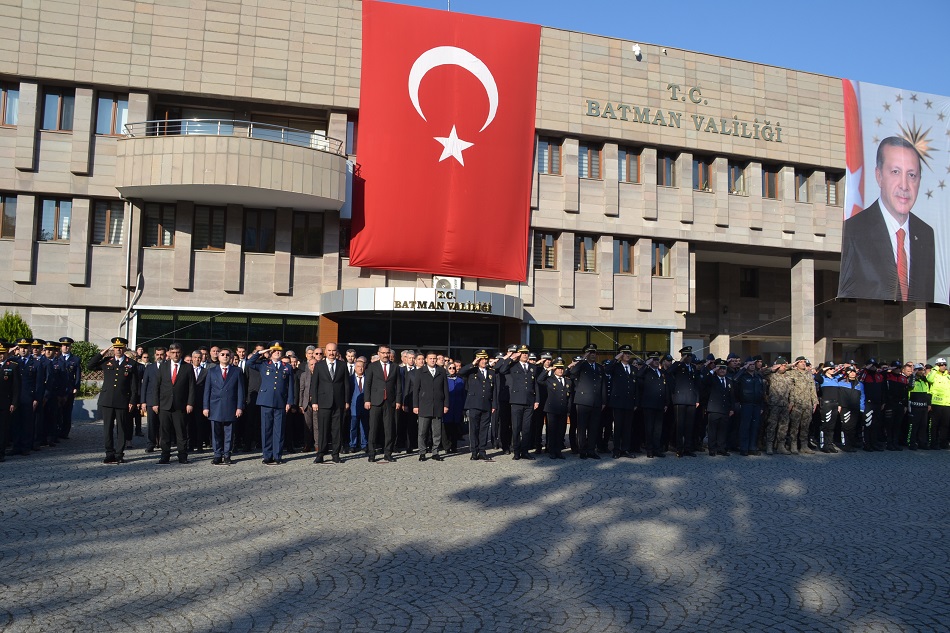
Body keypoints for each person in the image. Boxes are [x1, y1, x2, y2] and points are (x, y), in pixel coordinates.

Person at [839, 136, 935, 302]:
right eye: (895, 172)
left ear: (919, 181)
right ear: (879, 176)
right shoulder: (854, 230)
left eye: (912, 175)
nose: (904, 185)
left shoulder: (926, 233)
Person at [87, 337, 138, 464]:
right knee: (107, 428)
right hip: (107, 400)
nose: (118, 350)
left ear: (125, 348)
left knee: (121, 428)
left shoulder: (131, 363)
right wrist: (101, 353)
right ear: (113, 349)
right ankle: (109, 453)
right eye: (116, 348)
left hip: (122, 400)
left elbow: (134, 385)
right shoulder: (106, 361)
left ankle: (119, 454)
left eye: (120, 348)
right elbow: (90, 365)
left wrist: (132, 400)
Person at [250, 341, 295, 465]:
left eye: (279, 350)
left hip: (281, 401)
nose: (277, 352)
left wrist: (289, 402)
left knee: (279, 430)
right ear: (270, 352)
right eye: (274, 350)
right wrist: (261, 352)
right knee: (266, 429)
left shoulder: (287, 367)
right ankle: (267, 455)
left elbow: (290, 386)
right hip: (266, 400)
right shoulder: (264, 364)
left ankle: (277, 455)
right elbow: (250, 362)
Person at [151, 342, 196, 464]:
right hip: (164, 405)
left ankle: (182, 456)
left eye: (178, 352)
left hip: (180, 405)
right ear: (169, 354)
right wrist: (155, 403)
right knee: (164, 432)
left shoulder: (188, 367)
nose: (175, 354)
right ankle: (165, 455)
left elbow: (192, 387)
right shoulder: (163, 366)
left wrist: (190, 403)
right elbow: (157, 386)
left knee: (181, 432)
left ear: (181, 353)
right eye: (173, 352)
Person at [495, 344, 539, 460]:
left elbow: (535, 385)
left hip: (529, 400)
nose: (525, 354)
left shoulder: (532, 367)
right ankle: (516, 451)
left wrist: (537, 400)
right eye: (522, 352)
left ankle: (525, 451)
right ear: (519, 354)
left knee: (526, 428)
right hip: (516, 400)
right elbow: (501, 369)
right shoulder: (513, 366)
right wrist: (510, 357)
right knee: (516, 427)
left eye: (526, 353)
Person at [203, 348, 244, 465]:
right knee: (216, 433)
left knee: (229, 433)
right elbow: (207, 390)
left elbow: (240, 390)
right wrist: (206, 407)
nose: (225, 356)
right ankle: (217, 455)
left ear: (230, 357)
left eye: (227, 354)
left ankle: (227, 454)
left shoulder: (237, 371)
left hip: (230, 405)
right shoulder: (211, 371)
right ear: (219, 356)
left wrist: (239, 407)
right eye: (222, 354)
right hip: (215, 406)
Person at [309, 342, 347, 464]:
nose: (331, 353)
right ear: (326, 352)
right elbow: (314, 385)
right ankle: (320, 454)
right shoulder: (319, 366)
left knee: (337, 430)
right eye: (329, 351)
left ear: (337, 352)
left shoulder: (342, 365)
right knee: (323, 429)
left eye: (333, 350)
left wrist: (347, 401)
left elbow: (346, 384)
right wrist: (314, 401)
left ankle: (335, 454)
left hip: (338, 402)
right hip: (323, 402)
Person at [363, 345, 401, 463]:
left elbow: (398, 385)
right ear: (379, 353)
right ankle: (372, 453)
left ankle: (388, 453)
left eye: (387, 353)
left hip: (390, 402)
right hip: (375, 401)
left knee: (389, 429)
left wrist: (398, 400)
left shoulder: (395, 367)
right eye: (383, 353)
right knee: (373, 428)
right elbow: (367, 384)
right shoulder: (372, 366)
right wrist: (367, 400)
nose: (385, 355)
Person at [458, 350, 496, 461]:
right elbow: (460, 372)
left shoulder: (491, 372)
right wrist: (473, 364)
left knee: (484, 429)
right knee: (474, 429)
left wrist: (494, 405)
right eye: (481, 359)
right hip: (474, 404)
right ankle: (474, 451)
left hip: (487, 404)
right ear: (477, 360)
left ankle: (482, 451)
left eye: (485, 359)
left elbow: (494, 390)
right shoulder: (471, 371)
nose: (484, 361)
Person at [413, 351, 449, 462]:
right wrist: (415, 405)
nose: (433, 360)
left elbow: (445, 390)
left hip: (438, 405)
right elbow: (416, 390)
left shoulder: (441, 371)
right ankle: (422, 452)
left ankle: (435, 452)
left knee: (437, 432)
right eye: (430, 358)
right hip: (424, 405)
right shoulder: (420, 372)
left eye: (434, 358)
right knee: (422, 431)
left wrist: (446, 404)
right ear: (426, 360)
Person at [537, 358, 571, 459]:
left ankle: (558, 451)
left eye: (562, 368)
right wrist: (548, 369)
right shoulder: (549, 380)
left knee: (561, 432)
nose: (560, 370)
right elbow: (539, 380)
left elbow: (569, 397)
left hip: (563, 409)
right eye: (558, 368)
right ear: (554, 369)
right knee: (552, 431)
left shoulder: (567, 381)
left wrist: (568, 409)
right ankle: (551, 451)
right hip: (551, 409)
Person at [638, 351, 669, 458]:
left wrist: (666, 402)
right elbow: (638, 376)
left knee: (657, 429)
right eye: (654, 359)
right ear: (650, 360)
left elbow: (665, 388)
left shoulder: (661, 372)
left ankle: (657, 449)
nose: (656, 361)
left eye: (657, 359)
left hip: (660, 405)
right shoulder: (646, 372)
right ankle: (649, 450)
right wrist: (646, 364)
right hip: (649, 404)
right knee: (649, 428)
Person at [702, 360, 734, 456]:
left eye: (724, 368)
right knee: (712, 431)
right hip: (714, 409)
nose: (722, 370)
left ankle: (721, 448)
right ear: (716, 369)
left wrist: (732, 409)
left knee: (723, 430)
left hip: (725, 409)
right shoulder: (712, 379)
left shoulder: (729, 381)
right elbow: (704, 380)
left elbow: (732, 396)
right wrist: (713, 370)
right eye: (720, 368)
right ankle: (712, 449)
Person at [0, 343, 21, 462]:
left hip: (5, 403)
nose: (1, 356)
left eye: (2, 354)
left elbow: (16, 387)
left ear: (7, 354)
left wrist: (14, 402)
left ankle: (1, 452)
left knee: (3, 429)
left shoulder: (12, 366)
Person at [58, 337, 81, 440]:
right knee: (57, 411)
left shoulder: (75, 359)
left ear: (70, 347)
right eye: (63, 345)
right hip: (59, 388)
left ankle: (65, 432)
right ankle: (56, 431)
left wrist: (76, 387)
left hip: (69, 388)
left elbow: (78, 375)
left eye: (67, 345)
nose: (65, 347)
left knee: (67, 411)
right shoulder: (57, 358)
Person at [925, 358, 950, 449]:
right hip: (936, 403)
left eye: (944, 364)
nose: (943, 366)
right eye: (941, 365)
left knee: (945, 425)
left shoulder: (947, 376)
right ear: (937, 365)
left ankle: (943, 443)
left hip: (947, 404)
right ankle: (933, 443)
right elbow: (929, 379)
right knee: (935, 425)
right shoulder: (933, 374)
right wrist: (935, 369)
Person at [349, 358, 369, 454]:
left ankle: (364, 444)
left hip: (365, 406)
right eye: (358, 367)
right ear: (354, 368)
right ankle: (353, 444)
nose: (360, 369)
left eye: (362, 367)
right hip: (353, 407)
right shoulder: (350, 379)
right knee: (353, 427)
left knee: (364, 426)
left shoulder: (368, 378)